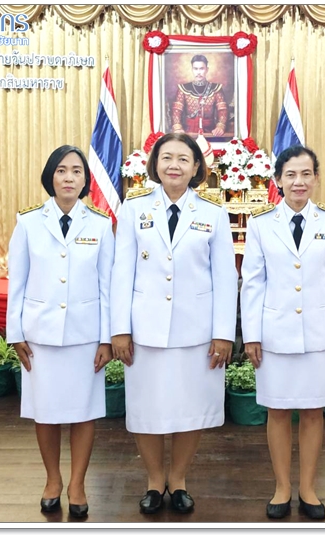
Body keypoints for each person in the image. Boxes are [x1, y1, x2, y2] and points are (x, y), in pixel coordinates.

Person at [110, 132, 238, 515]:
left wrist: (222, 333)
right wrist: (119, 328)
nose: (174, 166)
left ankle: (178, 480)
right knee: (147, 408)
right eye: (167, 158)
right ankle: (153, 481)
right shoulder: (134, 210)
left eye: (184, 159)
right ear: (154, 165)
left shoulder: (213, 213)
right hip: (145, 329)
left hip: (195, 331)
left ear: (197, 167)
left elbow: (225, 277)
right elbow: (121, 273)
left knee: (189, 408)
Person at [240, 145, 325, 520]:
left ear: (316, 178)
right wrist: (251, 335)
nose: (299, 182)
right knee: (277, 410)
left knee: (313, 412)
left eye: (306, 174)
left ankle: (307, 487)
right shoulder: (259, 224)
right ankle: (282, 487)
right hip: (274, 334)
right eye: (291, 174)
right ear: (277, 180)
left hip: (319, 334)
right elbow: (252, 283)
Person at [6, 145, 115, 518]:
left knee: (84, 412)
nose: (69, 178)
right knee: (46, 412)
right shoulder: (28, 222)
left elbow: (107, 286)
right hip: (41, 336)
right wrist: (14, 332)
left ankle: (78, 483)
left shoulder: (100, 224)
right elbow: (16, 282)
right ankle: (52, 479)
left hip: (86, 337)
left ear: (86, 180)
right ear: (50, 176)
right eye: (62, 171)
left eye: (77, 172)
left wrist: (107, 338)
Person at [171, 54, 228, 136]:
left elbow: (222, 110)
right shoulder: (183, 88)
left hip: (210, 132)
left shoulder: (216, 88)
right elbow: (176, 111)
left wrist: (220, 126)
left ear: (207, 70)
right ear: (192, 70)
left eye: (201, 68)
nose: (198, 72)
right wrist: (178, 128)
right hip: (188, 132)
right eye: (195, 69)